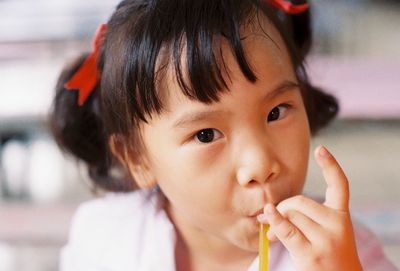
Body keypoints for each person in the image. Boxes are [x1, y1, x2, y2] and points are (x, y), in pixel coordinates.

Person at [50, 0, 397, 270]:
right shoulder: (103, 240)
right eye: (205, 134)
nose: (260, 165)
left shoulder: (346, 253)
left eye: (276, 113)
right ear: (137, 158)